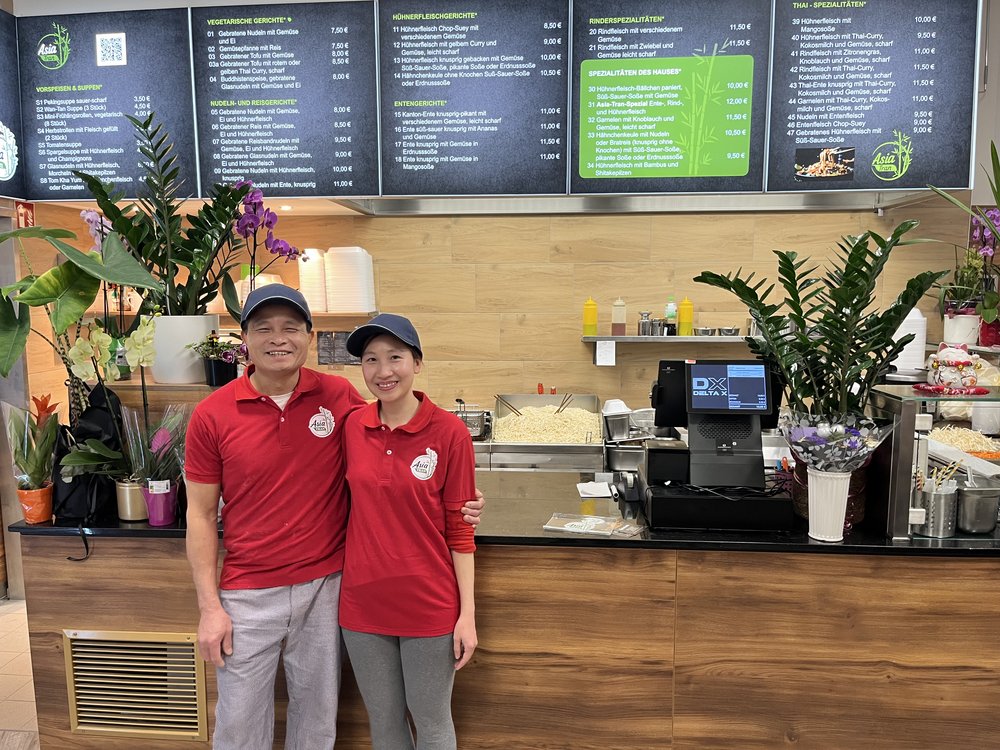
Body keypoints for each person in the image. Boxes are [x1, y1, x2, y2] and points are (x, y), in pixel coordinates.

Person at [184, 286, 483, 750]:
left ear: (309, 336)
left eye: (290, 328)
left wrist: (465, 502)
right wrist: (209, 607)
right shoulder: (212, 414)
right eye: (263, 328)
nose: (277, 339)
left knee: (318, 720)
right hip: (248, 591)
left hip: (326, 586)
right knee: (238, 723)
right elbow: (200, 514)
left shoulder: (337, 397)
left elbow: (408, 453)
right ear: (243, 338)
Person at [339, 314, 477, 750]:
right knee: (383, 721)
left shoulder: (450, 432)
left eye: (395, 357)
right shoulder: (352, 427)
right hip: (362, 605)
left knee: (432, 722)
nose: (383, 371)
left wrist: (467, 615)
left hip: (428, 604)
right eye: (371, 359)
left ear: (416, 362)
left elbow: (460, 529)